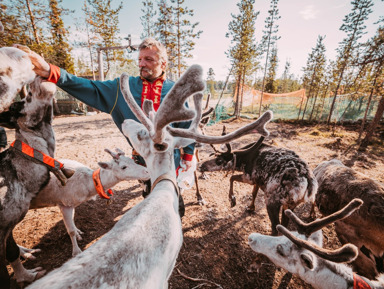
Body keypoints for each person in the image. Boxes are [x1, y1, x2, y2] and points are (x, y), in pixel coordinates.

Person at [16, 38, 195, 217]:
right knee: (151, 200)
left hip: (171, 160)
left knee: (173, 201)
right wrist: (50, 71)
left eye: (148, 59)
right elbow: (88, 87)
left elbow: (187, 126)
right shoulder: (121, 88)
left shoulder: (177, 91)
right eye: (140, 60)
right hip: (142, 159)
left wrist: (188, 154)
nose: (142, 64)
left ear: (163, 63)